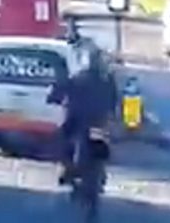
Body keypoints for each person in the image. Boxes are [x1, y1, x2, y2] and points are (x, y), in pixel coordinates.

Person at [49, 45, 119, 185]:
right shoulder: (106, 79)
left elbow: (60, 91)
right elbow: (115, 99)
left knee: (62, 137)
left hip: (80, 118)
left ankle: (68, 168)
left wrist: (54, 98)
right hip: (96, 118)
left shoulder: (79, 77)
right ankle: (73, 168)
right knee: (65, 136)